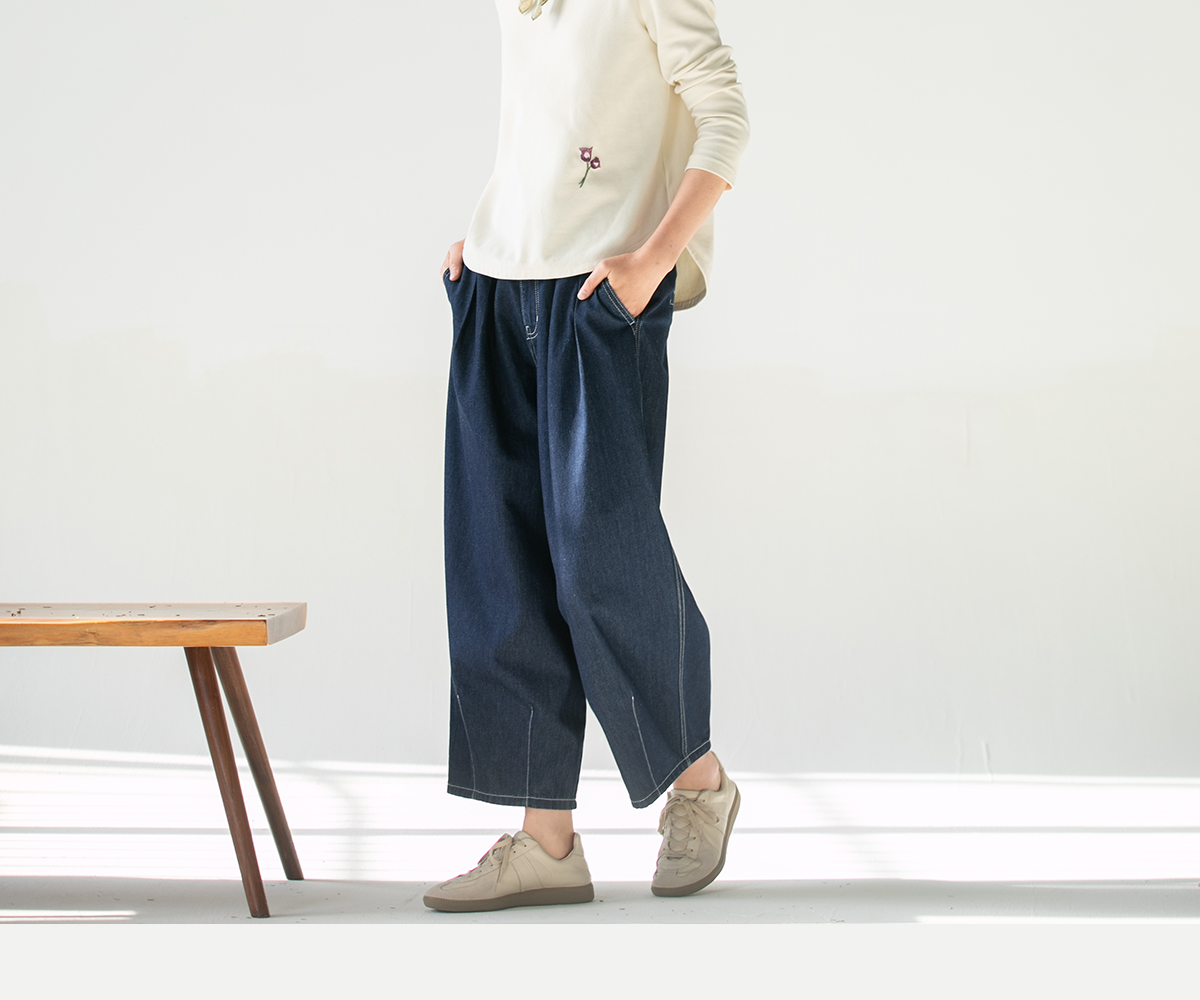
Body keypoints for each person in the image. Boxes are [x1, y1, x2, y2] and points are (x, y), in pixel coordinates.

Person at [424, 0, 750, 913]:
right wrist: (492, 238)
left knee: (602, 561)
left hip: (599, 297)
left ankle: (698, 782)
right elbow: (549, 123)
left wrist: (654, 259)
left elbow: (726, 114)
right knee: (502, 574)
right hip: (496, 290)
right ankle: (546, 841)